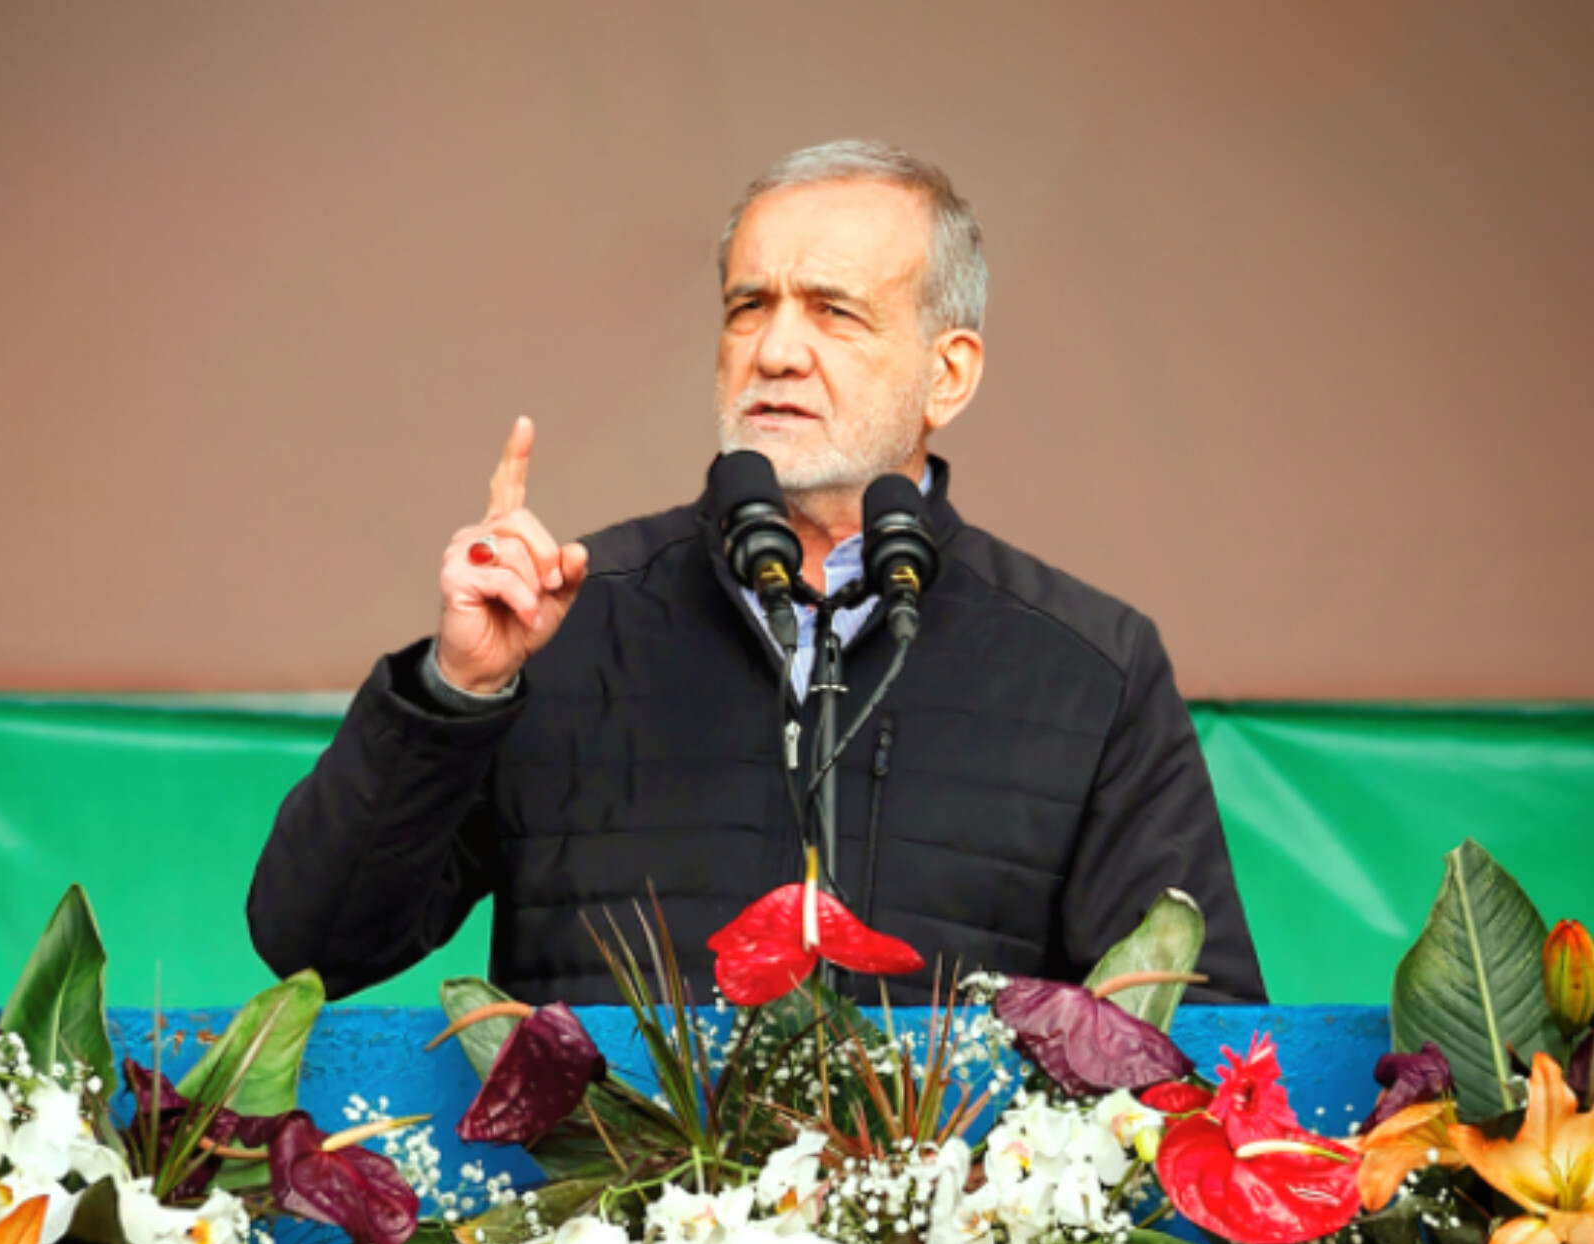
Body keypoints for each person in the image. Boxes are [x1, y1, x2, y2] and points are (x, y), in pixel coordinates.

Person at [249, 141, 1266, 1006]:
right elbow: (314, 944)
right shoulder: (565, 622)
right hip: (601, 1188)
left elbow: (1192, 1032)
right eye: (749, 306)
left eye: (834, 311)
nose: (776, 350)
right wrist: (458, 690)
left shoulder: (1087, 667)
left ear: (946, 374)